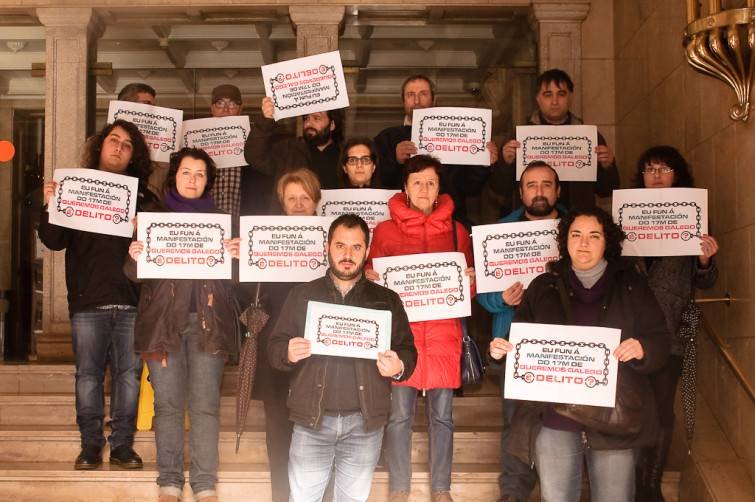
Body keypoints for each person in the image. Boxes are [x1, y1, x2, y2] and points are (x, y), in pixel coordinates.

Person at [490, 206, 670, 502]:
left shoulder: (631, 285)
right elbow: (518, 343)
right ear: (565, 241)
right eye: (576, 234)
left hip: (615, 419)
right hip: (555, 419)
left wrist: (643, 348)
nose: (583, 243)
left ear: (606, 242)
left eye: (593, 236)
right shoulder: (542, 287)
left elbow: (660, 340)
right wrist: (499, 352)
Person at [267, 214, 417, 502]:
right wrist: (287, 352)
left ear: (367, 251)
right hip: (311, 422)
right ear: (327, 247)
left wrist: (399, 366)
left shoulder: (387, 300)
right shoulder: (301, 295)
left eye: (356, 247)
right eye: (340, 246)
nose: (347, 255)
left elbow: (408, 350)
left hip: (364, 425)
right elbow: (274, 348)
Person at [125, 147, 241, 502]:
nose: (193, 179)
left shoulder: (225, 222)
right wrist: (135, 254)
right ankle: (169, 481)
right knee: (169, 406)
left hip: (210, 325)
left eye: (200, 174)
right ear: (174, 176)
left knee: (205, 405)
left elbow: (237, 281)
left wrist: (238, 257)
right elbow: (132, 275)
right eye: (186, 172)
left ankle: (205, 482)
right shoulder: (150, 219)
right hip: (162, 326)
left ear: (209, 181)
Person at [38, 119, 154, 471]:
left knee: (128, 376)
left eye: (127, 144)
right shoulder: (73, 188)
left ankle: (121, 444)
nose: (119, 147)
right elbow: (54, 242)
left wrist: (144, 226)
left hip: (132, 301)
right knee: (87, 375)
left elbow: (159, 249)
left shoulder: (145, 197)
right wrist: (50, 205)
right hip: (87, 300)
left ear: (134, 155)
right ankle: (90, 444)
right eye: (113, 140)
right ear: (100, 147)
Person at [366, 155, 477, 502]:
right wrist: (370, 277)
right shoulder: (384, 231)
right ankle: (400, 488)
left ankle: (440, 489)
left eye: (430, 182)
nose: (424, 188)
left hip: (445, 335)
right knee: (399, 416)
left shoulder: (459, 231)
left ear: (439, 187)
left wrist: (471, 282)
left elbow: (468, 288)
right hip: (403, 337)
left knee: (442, 417)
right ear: (405, 188)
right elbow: (370, 279)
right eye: (417, 182)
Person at [631, 146, 718, 502]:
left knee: (663, 409)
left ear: (677, 175)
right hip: (630, 331)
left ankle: (650, 485)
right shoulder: (626, 217)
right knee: (632, 407)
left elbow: (708, 281)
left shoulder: (694, 220)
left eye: (663, 169)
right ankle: (630, 480)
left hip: (671, 331)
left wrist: (704, 260)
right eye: (649, 169)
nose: (655, 175)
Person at [476, 160, 567, 502]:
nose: (539, 191)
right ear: (520, 192)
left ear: (558, 191)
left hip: (566, 343)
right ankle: (514, 490)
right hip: (515, 343)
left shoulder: (576, 229)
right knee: (516, 421)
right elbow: (483, 299)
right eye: (532, 185)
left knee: (566, 422)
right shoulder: (498, 232)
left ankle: (559, 488)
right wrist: (500, 298)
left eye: (546, 184)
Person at [251, 168, 322, 502]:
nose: (298, 204)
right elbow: (244, 295)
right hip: (275, 351)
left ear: (317, 201)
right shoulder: (263, 239)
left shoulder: (331, 241)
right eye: (291, 198)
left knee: (317, 437)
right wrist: (241, 260)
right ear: (281, 202)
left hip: (321, 353)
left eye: (305, 197)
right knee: (278, 434)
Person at [372, 74, 498, 228]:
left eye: (423, 94)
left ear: (434, 98)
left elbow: (471, 189)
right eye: (411, 95)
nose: (417, 100)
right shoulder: (386, 137)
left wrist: (482, 163)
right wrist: (395, 160)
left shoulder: (457, 134)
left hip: (450, 223)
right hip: (401, 225)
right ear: (403, 101)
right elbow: (378, 183)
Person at [491, 69, 619, 212]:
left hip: (577, 222)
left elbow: (606, 191)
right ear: (538, 98)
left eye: (561, 94)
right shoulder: (518, 137)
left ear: (570, 97)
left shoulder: (590, 138)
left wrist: (608, 167)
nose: (554, 101)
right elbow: (499, 189)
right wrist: (506, 164)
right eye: (547, 95)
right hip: (533, 222)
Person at [244, 97, 344, 211]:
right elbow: (254, 155)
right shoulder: (288, 149)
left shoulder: (345, 156)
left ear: (332, 125)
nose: (309, 123)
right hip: (291, 225)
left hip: (335, 224)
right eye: (306, 118)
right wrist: (265, 121)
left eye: (316, 118)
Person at [208, 84, 246, 221]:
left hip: (241, 225)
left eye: (232, 104)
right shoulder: (197, 142)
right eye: (220, 103)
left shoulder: (251, 142)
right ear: (212, 107)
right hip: (206, 223)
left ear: (240, 109)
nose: (225, 109)